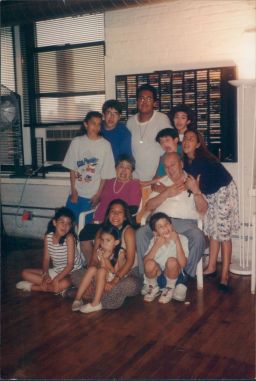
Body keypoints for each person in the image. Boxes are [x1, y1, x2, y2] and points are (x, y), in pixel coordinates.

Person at [136, 152, 208, 302]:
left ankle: (183, 280)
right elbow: (148, 206)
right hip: (160, 222)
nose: (170, 169)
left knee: (198, 236)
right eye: (166, 166)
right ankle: (148, 279)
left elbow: (203, 210)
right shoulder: (161, 182)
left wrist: (196, 191)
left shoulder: (192, 181)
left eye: (173, 164)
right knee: (141, 232)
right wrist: (166, 193)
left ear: (181, 164)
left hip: (186, 224)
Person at [182, 130, 240, 291]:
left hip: (224, 191)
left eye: (191, 139)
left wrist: (194, 188)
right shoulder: (187, 161)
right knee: (212, 229)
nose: (186, 142)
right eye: (185, 139)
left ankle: (225, 276)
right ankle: (212, 267)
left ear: (198, 144)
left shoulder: (202, 161)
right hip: (209, 194)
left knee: (224, 233)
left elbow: (195, 186)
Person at [71, 199, 143, 309]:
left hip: (126, 274)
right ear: (108, 214)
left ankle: (92, 295)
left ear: (125, 216)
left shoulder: (128, 231)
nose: (115, 215)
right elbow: (94, 260)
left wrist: (114, 281)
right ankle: (95, 294)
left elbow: (130, 262)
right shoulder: (101, 231)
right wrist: (90, 280)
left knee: (129, 286)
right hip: (104, 273)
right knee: (75, 274)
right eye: (113, 211)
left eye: (119, 212)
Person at [78, 154, 142, 264]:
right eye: (121, 166)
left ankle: (107, 267)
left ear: (132, 171)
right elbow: (101, 201)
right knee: (85, 233)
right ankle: (92, 265)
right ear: (116, 168)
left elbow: (132, 209)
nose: (123, 170)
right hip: (101, 222)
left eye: (128, 167)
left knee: (104, 235)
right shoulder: (108, 182)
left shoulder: (134, 184)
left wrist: (113, 220)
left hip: (119, 223)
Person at [62, 111, 116, 223]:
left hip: (91, 196)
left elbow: (105, 175)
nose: (96, 127)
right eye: (93, 123)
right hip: (76, 193)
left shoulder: (106, 145)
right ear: (86, 124)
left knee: (85, 228)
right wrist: (73, 191)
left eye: (99, 124)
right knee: (69, 224)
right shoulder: (77, 142)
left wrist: (98, 195)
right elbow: (72, 169)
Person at [16, 207, 83, 294]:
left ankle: (32, 287)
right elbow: (46, 259)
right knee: (25, 273)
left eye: (68, 223)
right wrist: (45, 275)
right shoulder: (48, 237)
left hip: (72, 272)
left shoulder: (69, 238)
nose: (64, 226)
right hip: (57, 270)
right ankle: (56, 288)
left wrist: (56, 279)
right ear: (55, 223)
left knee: (64, 283)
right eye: (62, 222)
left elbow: (70, 265)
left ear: (71, 226)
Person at [72, 225, 126, 313]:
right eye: (102, 240)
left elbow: (114, 272)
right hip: (101, 278)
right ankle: (77, 299)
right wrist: (101, 259)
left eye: (108, 240)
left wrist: (105, 259)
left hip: (112, 280)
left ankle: (96, 303)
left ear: (116, 242)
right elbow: (99, 267)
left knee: (101, 271)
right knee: (92, 269)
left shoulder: (120, 253)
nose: (104, 243)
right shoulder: (100, 251)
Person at [127, 84, 171, 181]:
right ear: (137, 102)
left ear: (155, 103)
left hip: (158, 178)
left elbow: (169, 149)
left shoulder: (162, 119)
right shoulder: (130, 122)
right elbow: (128, 152)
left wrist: (158, 174)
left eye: (149, 99)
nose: (144, 102)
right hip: (135, 179)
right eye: (141, 98)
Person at [143, 212, 187, 304]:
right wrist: (156, 245)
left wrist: (177, 241)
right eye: (160, 227)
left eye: (167, 224)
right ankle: (153, 287)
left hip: (175, 277)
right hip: (157, 278)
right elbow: (145, 263)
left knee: (172, 261)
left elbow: (183, 264)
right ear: (155, 232)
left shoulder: (182, 238)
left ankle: (170, 288)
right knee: (149, 263)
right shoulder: (154, 241)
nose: (165, 228)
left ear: (171, 225)